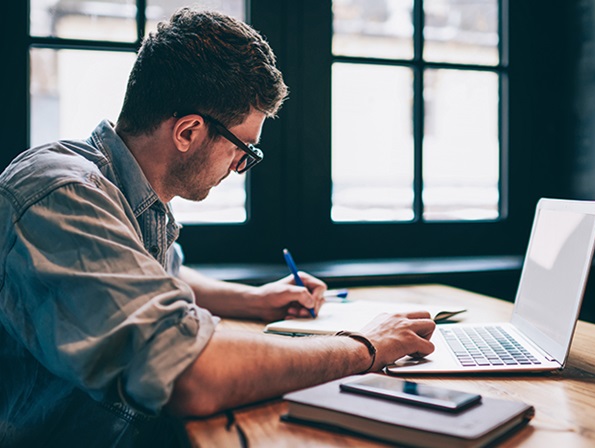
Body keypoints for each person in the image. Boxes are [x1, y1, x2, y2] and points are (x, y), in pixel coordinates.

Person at [0, 7, 436, 447]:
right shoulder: (61, 194)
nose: (242, 166)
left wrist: (256, 301)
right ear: (188, 131)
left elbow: (153, 274)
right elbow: (192, 374)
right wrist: (365, 345)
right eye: (243, 148)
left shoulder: (124, 188)